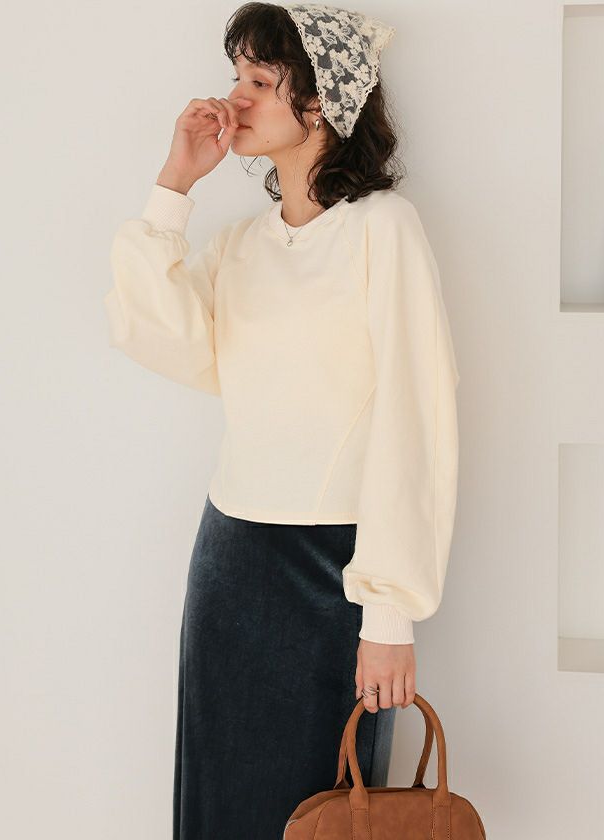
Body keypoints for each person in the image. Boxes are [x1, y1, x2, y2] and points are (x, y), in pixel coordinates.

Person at [103, 3, 460, 838]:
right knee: (221, 800)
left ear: (323, 102)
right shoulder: (242, 246)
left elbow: (417, 418)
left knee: (327, 808)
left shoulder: (383, 230)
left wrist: (390, 614)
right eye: (237, 76)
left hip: (336, 567)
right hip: (232, 557)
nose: (236, 97)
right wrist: (175, 184)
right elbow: (154, 333)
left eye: (261, 81)